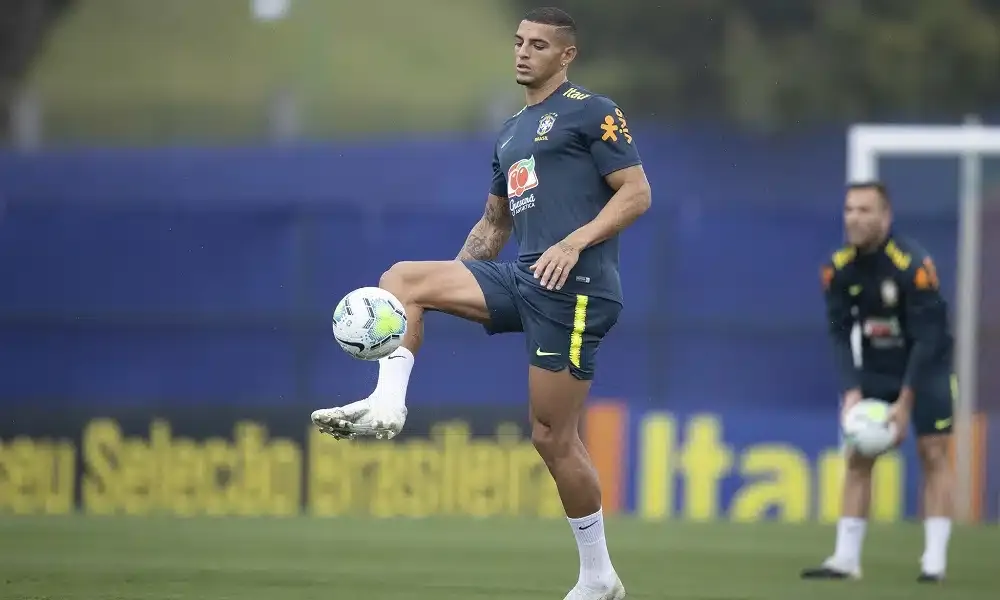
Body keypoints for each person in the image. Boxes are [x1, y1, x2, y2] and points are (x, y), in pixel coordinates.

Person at [311, 6, 650, 600]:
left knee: (551, 436)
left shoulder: (594, 112)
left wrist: (574, 242)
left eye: (538, 45)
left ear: (565, 56)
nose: (523, 52)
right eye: (519, 42)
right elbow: (494, 225)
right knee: (405, 279)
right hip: (523, 275)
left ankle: (599, 577)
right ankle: (387, 403)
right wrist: (446, 288)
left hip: (576, 290)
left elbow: (637, 193)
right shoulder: (511, 130)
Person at [801, 182, 955, 583]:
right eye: (850, 209)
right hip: (877, 367)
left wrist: (905, 403)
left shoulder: (913, 267)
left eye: (865, 210)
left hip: (928, 365)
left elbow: (927, 337)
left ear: (885, 217)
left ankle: (933, 563)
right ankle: (845, 560)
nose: (854, 217)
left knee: (933, 452)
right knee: (857, 455)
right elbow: (838, 331)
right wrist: (851, 389)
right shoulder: (836, 268)